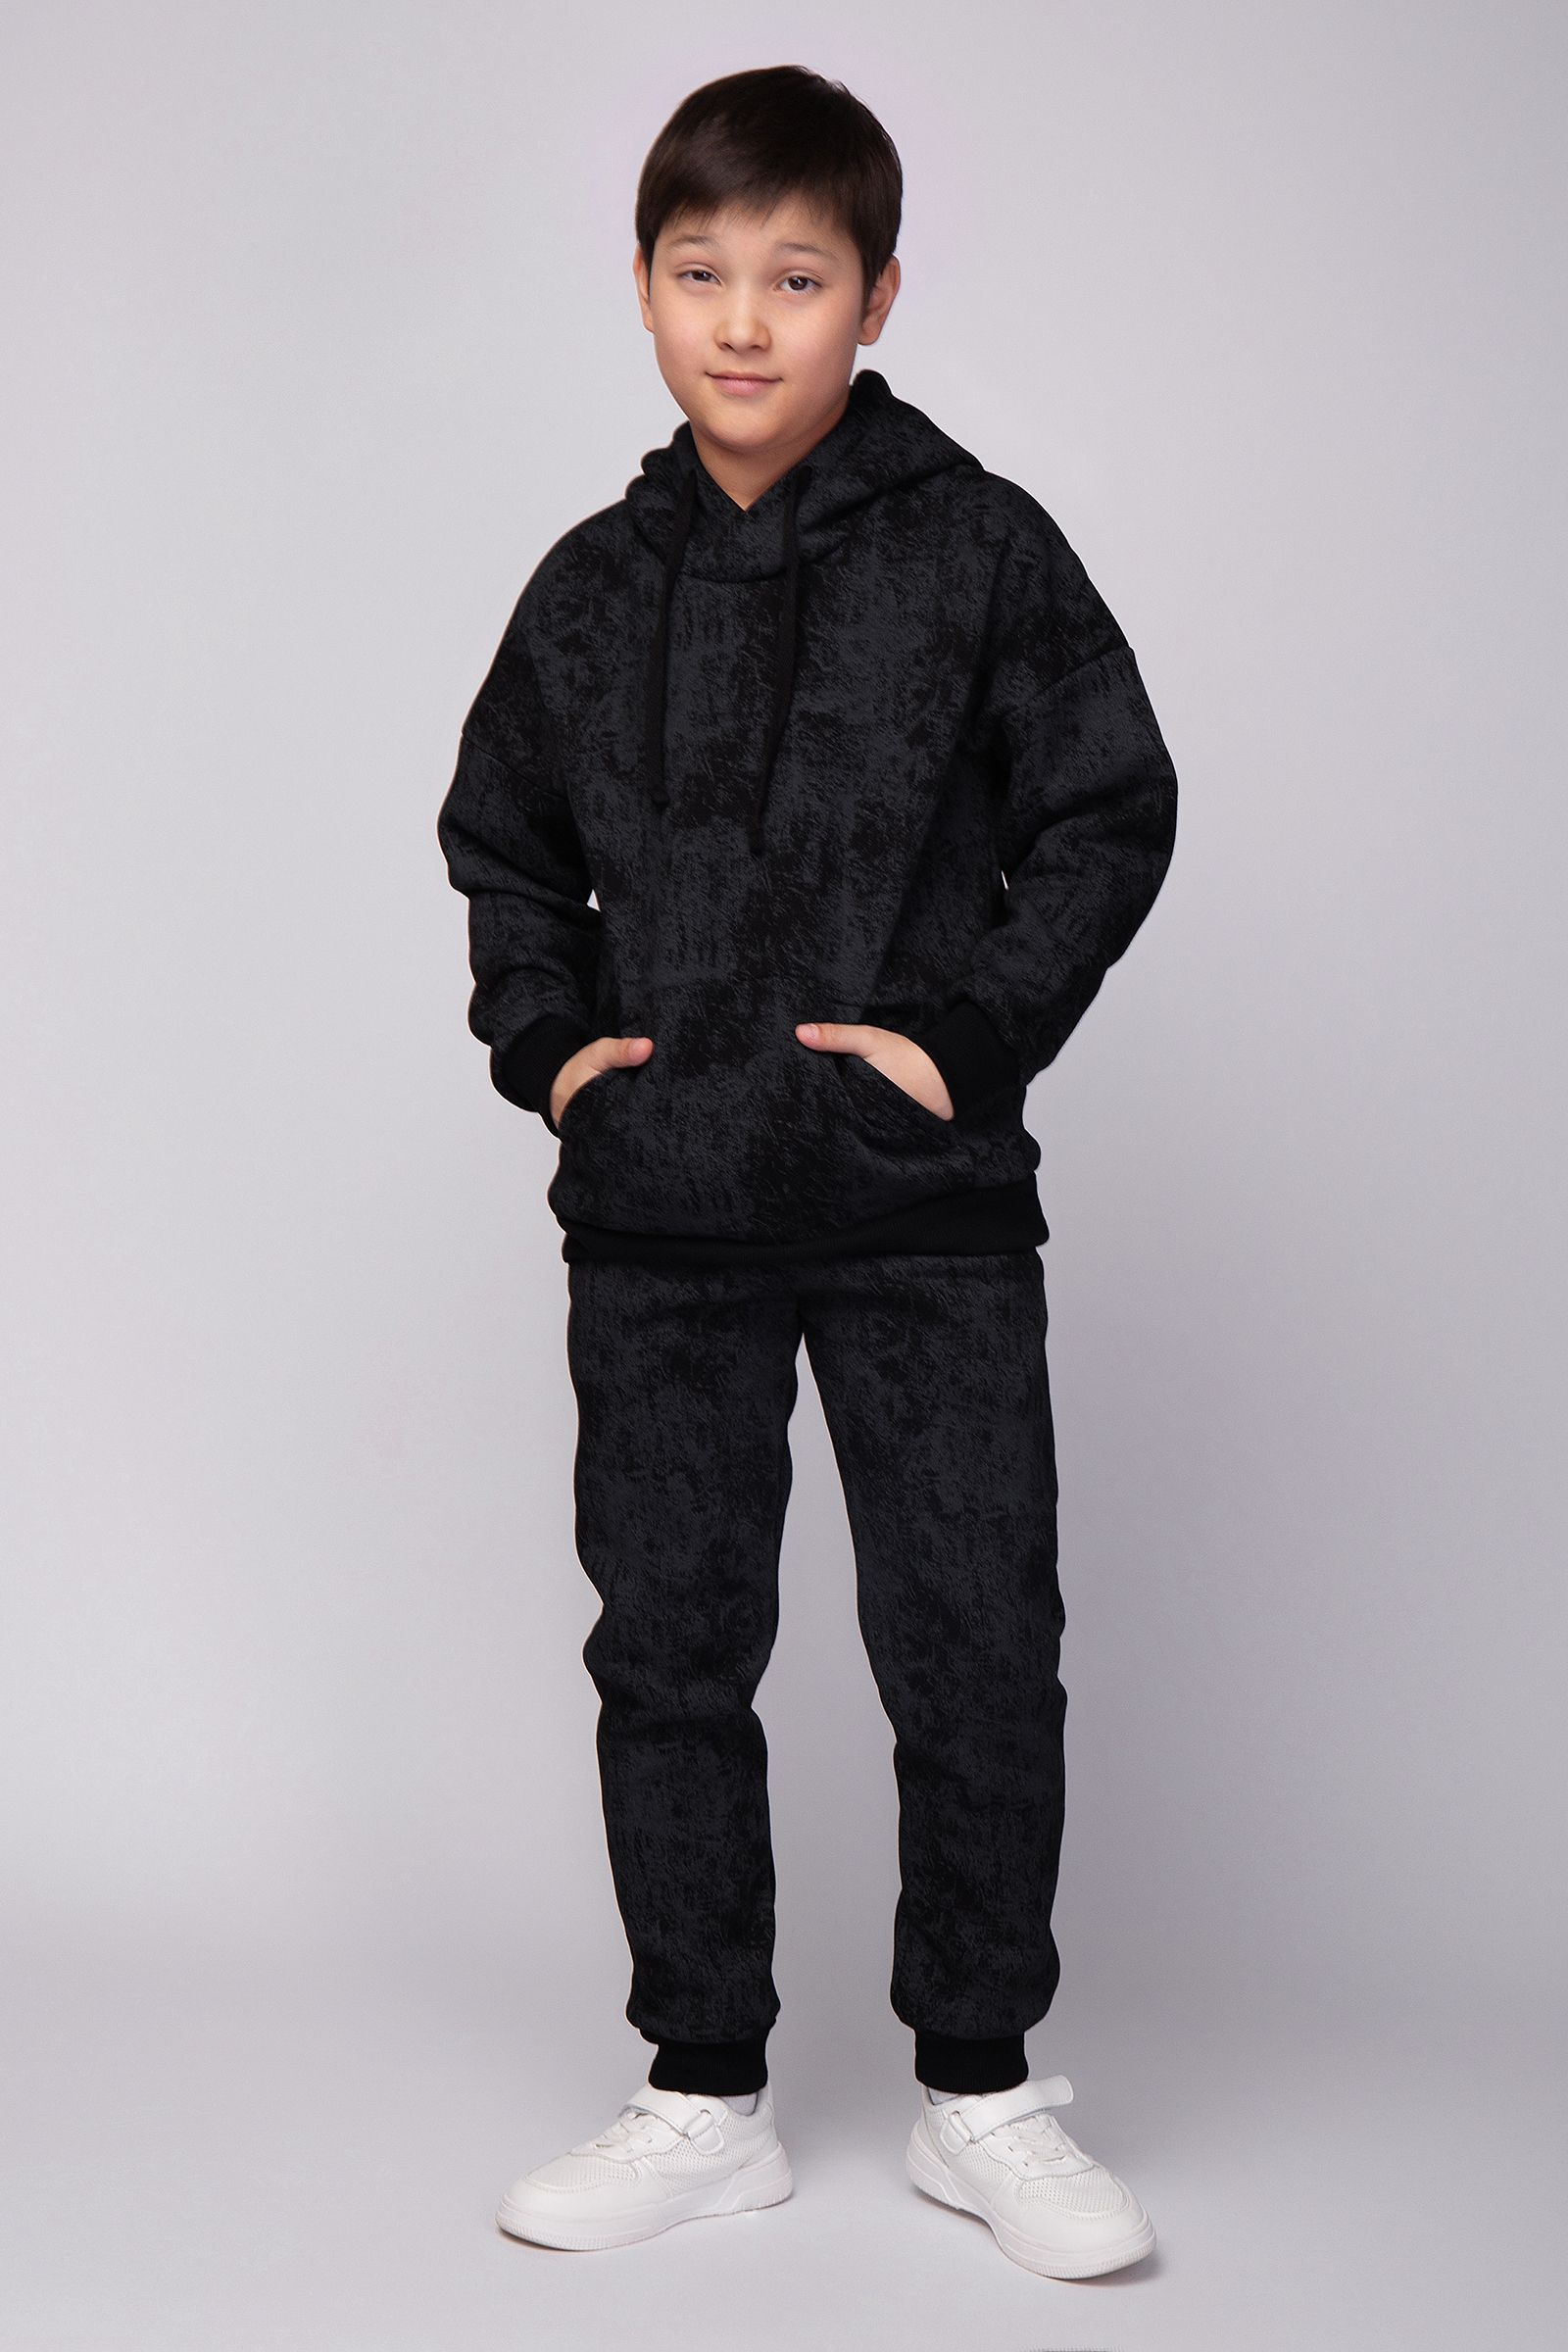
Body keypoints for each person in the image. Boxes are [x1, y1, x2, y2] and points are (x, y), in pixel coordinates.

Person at [436, 64, 1177, 2281]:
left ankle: (983, 2091)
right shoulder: (590, 589)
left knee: (974, 1643)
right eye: (702, 274)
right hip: (659, 1221)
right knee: (669, 1650)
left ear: (875, 296)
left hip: (917, 1217)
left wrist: (967, 1040)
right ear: (643, 290)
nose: (744, 322)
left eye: (796, 277)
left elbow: (1109, 804)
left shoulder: (978, 549)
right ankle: (703, 2094)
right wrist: (556, 1053)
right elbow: (501, 846)